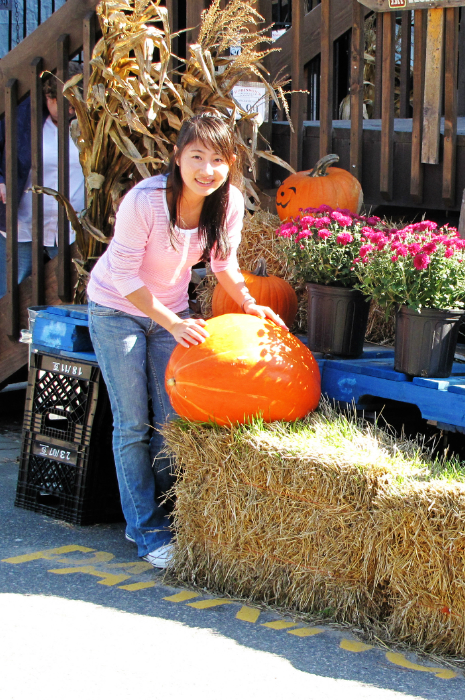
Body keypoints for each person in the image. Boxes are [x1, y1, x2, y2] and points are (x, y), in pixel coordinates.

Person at [86, 112, 286, 569]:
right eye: (196, 156)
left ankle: (160, 517)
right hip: (117, 310)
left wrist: (251, 303)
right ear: (177, 158)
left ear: (231, 162)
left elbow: (223, 265)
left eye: (218, 159)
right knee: (133, 424)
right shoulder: (146, 201)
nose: (207, 168)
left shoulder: (229, 201)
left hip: (170, 315)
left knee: (171, 423)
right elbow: (120, 273)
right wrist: (172, 323)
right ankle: (147, 532)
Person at [0, 64, 84, 302]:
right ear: (49, 97)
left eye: (75, 106)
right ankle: (8, 334)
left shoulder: (86, 121)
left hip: (70, 223)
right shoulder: (22, 114)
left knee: (68, 287)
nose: (71, 112)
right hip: (22, 219)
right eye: (66, 106)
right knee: (11, 287)